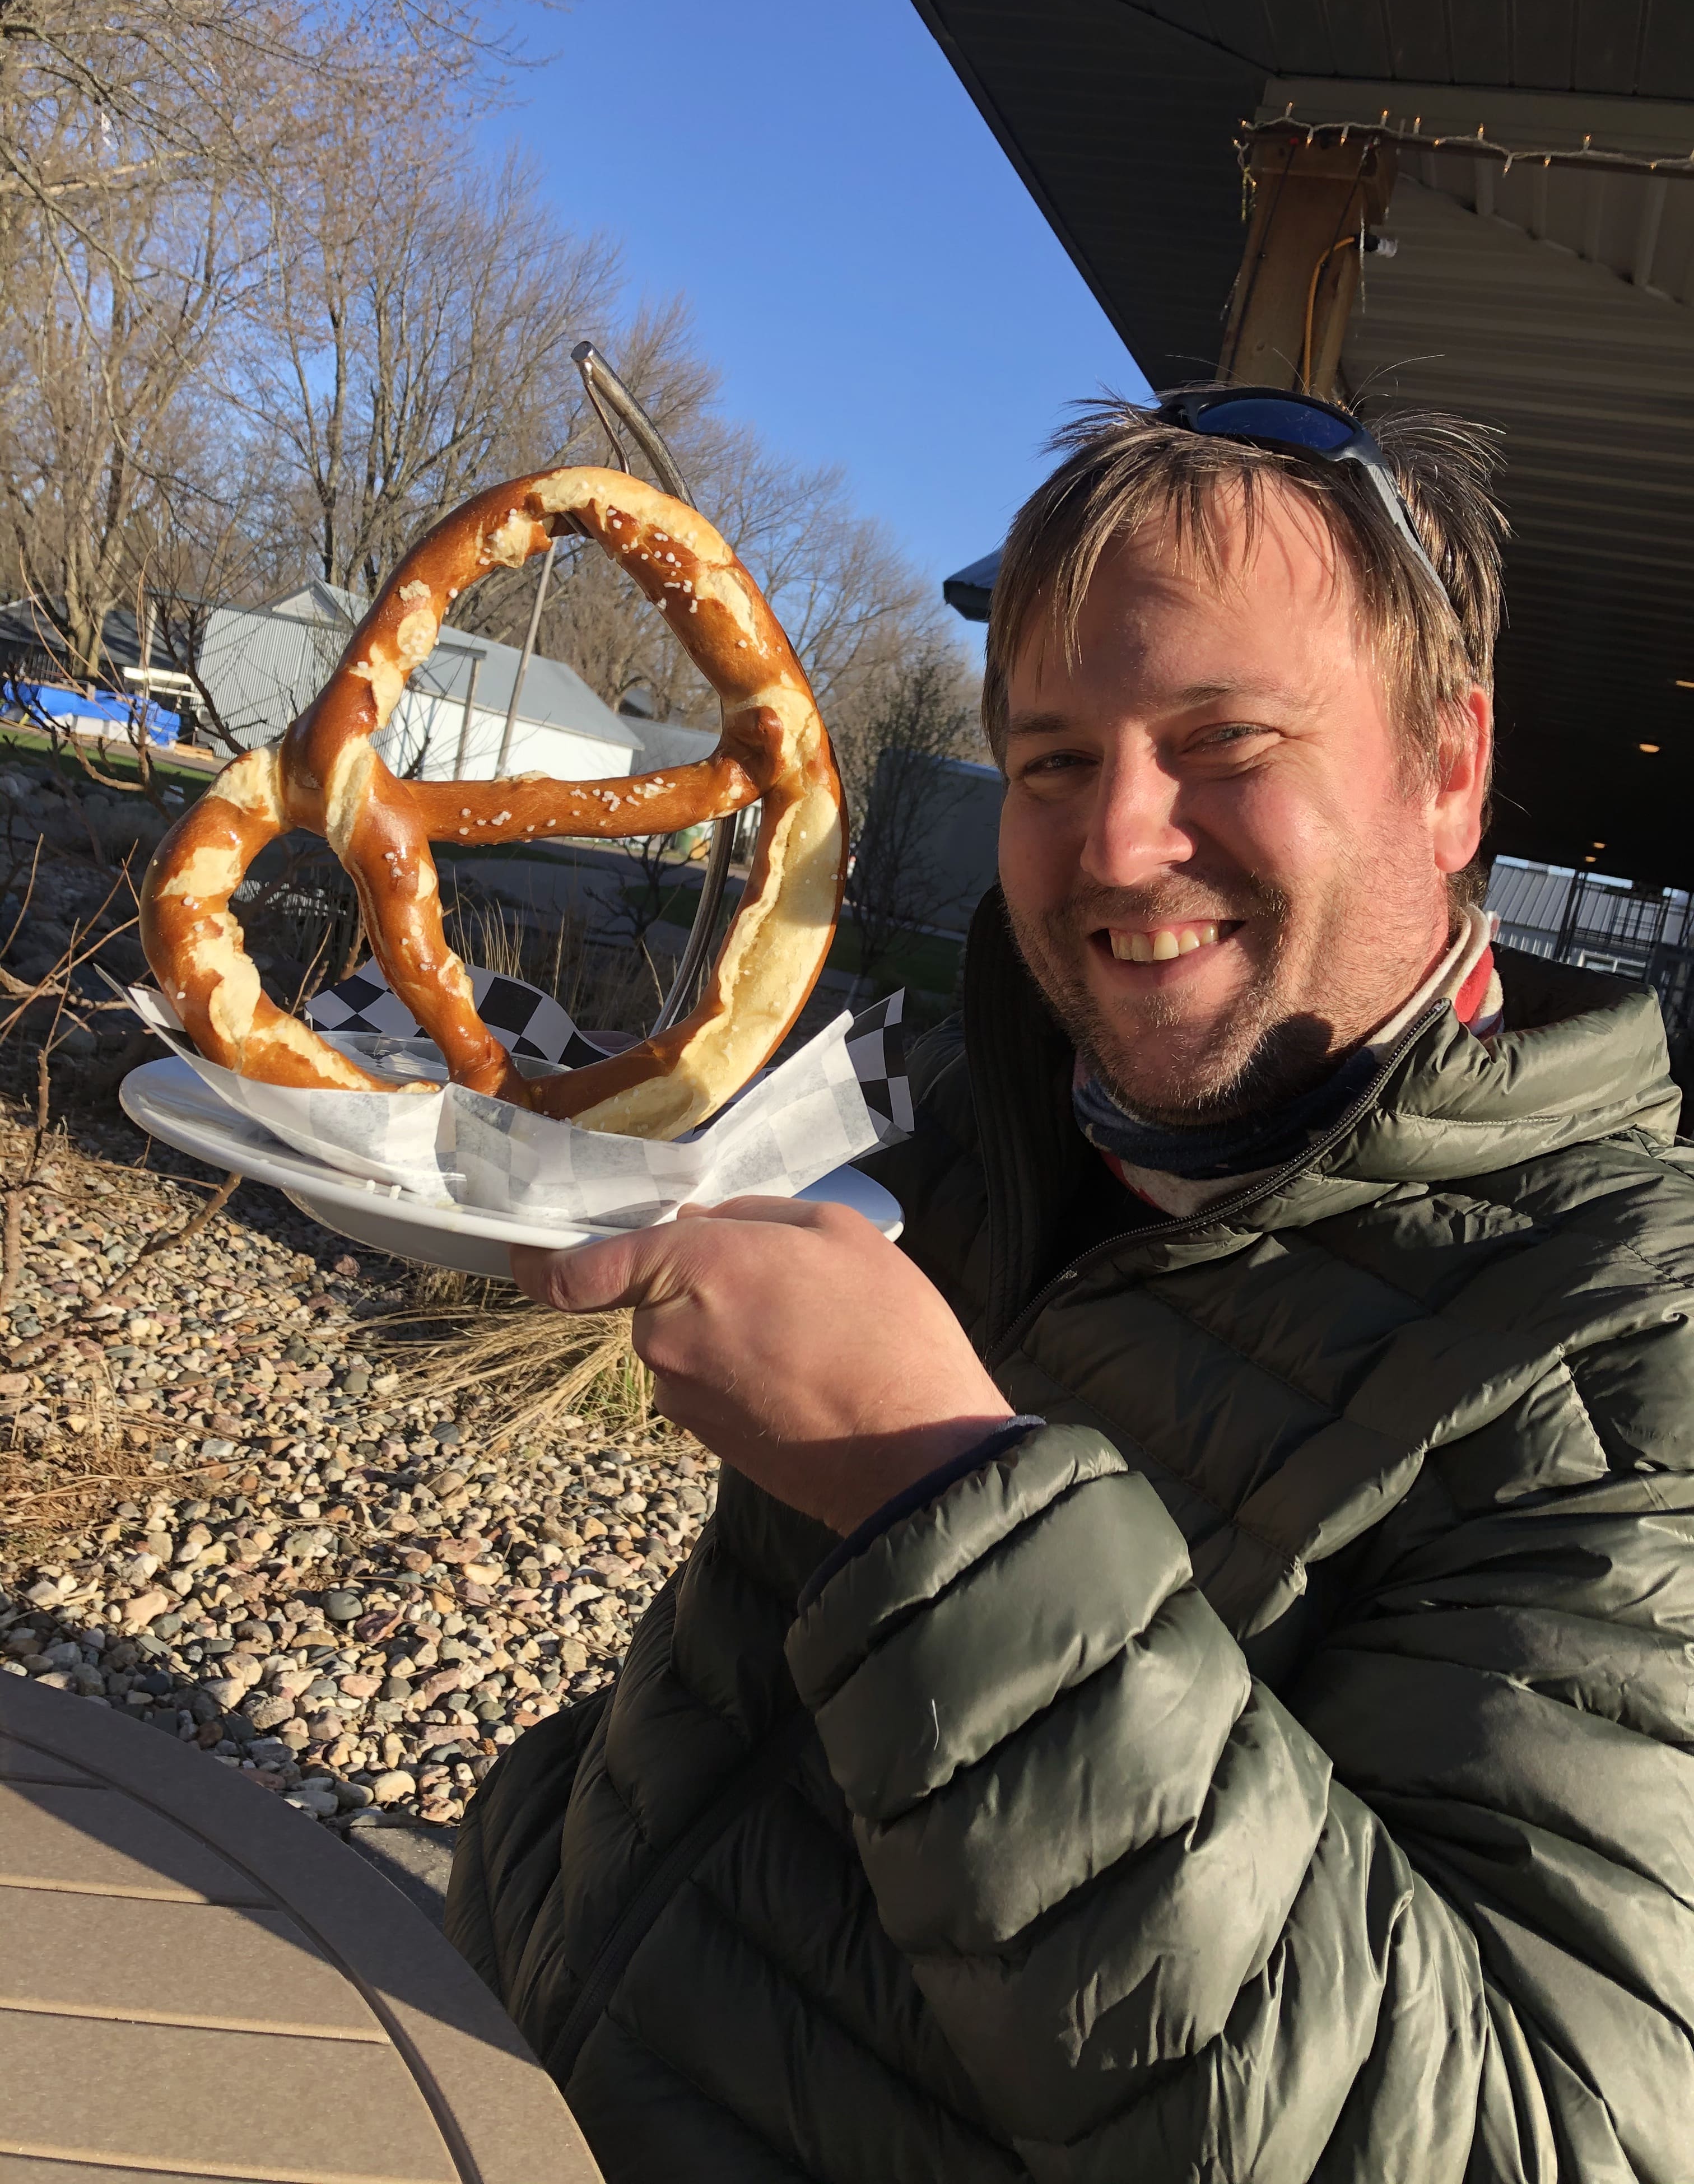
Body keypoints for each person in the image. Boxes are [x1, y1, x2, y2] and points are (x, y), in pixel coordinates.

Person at [446, 391, 1694, 2181]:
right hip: (466, 2063)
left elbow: (1532, 2141)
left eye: (1221, 739)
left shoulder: (1624, 1353)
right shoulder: (983, 1131)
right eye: (1050, 761)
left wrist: (932, 1488)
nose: (1114, 845)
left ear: (1448, 769)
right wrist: (534, 1865)